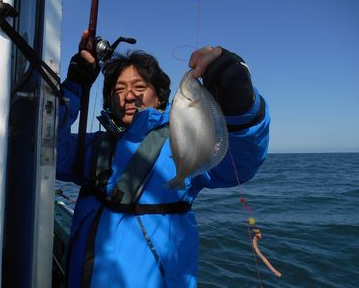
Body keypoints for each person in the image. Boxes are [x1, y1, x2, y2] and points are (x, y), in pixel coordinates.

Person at [56, 31, 270, 288]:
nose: (129, 96)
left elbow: (241, 159)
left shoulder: (178, 141)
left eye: (139, 87)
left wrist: (237, 95)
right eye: (119, 89)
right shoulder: (93, 147)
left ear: (159, 97)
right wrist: (74, 87)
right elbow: (44, 149)